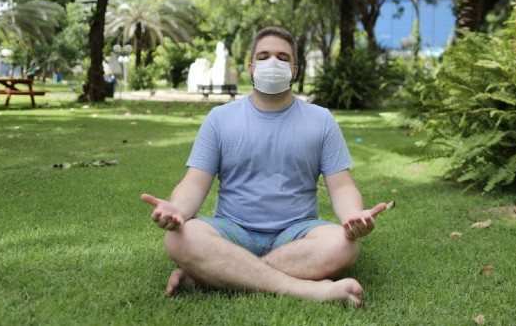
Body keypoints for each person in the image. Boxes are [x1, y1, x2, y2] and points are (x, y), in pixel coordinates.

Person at [141, 27, 387, 307]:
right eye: (264, 56)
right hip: (232, 229)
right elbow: (194, 182)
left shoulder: (322, 120)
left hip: (296, 233)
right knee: (178, 239)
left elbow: (342, 185)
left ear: (294, 70)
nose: (273, 63)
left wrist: (353, 216)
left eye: (283, 57)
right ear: (251, 67)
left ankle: (211, 275)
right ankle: (309, 290)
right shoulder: (219, 119)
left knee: (344, 245)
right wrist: (177, 210)